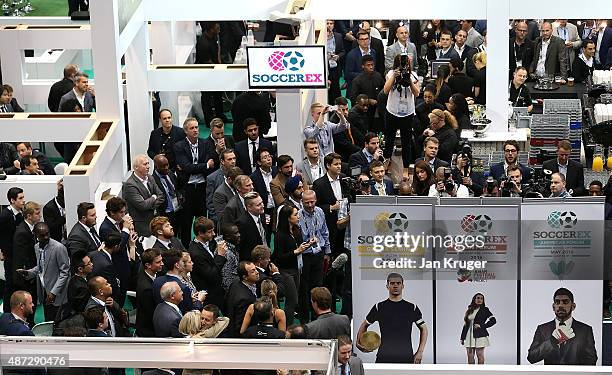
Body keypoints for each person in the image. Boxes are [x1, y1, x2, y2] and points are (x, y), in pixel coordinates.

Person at [357, 273, 428, 363]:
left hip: (405, 356)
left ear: (403, 286)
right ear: (387, 286)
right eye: (392, 283)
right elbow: (365, 324)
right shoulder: (379, 307)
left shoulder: (412, 307)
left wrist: (420, 352)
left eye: (398, 283)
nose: (395, 285)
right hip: (384, 356)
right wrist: (358, 341)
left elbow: (424, 329)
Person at [528, 288, 597, 365]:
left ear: (573, 306)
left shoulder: (585, 330)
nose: (560, 305)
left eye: (565, 302)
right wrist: (553, 341)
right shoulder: (542, 329)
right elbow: (531, 357)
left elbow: (591, 360)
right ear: (553, 307)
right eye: (557, 302)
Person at [17, 222, 70, 322]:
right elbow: (41, 267)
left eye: (47, 234)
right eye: (42, 235)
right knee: (49, 321)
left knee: (59, 323)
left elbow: (65, 273)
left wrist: (54, 292)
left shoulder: (59, 248)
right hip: (44, 292)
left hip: (58, 294)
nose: (46, 237)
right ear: (35, 235)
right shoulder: (36, 247)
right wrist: (28, 273)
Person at [174, 117, 213, 240]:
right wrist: (205, 165)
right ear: (186, 131)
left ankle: (202, 244)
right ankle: (186, 248)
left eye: (196, 127)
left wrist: (195, 167)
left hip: (202, 187)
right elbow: (188, 167)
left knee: (202, 221)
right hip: (187, 189)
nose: (196, 130)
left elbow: (209, 166)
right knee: (186, 222)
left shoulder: (205, 143)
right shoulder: (179, 146)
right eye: (192, 128)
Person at [383, 54, 420, 168]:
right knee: (389, 139)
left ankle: (405, 167)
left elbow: (417, 93)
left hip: (407, 113)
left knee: (406, 142)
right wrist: (394, 76)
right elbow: (385, 90)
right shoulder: (390, 74)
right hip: (392, 111)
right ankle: (387, 160)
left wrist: (408, 79)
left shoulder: (413, 76)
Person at [273, 204, 305, 322]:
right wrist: (296, 251)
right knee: (292, 300)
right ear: (287, 217)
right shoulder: (279, 236)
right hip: (286, 271)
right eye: (295, 214)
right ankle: (286, 326)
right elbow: (279, 256)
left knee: (293, 299)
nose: (298, 217)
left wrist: (306, 246)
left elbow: (299, 247)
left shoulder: (296, 230)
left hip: (297, 268)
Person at [12, 201, 41, 325]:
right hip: (25, 278)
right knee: (27, 308)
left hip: (30, 274)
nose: (39, 216)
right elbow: (22, 258)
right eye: (37, 213)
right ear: (29, 215)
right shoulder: (22, 232)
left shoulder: (29, 229)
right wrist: (30, 274)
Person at [188, 216, 227, 309]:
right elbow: (211, 275)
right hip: (209, 294)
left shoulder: (208, 242)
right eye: (210, 232)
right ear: (200, 233)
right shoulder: (196, 253)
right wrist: (220, 256)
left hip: (216, 289)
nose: (213, 234)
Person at [123, 154, 165, 236]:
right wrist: (153, 197)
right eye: (145, 164)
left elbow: (161, 196)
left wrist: (151, 204)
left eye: (148, 163)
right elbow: (142, 205)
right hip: (142, 225)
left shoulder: (150, 178)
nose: (148, 166)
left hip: (155, 220)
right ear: (136, 167)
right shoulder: (130, 185)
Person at [153, 248, 206, 314]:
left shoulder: (157, 281)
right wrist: (199, 301)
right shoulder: (183, 288)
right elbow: (190, 315)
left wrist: (189, 299)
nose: (184, 264)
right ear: (177, 265)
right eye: (182, 262)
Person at [196, 22, 225, 127]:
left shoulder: (214, 36)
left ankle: (220, 116)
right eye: (217, 28)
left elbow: (218, 50)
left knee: (218, 95)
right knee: (207, 97)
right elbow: (206, 61)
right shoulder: (203, 43)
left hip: (215, 70)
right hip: (205, 73)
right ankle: (209, 120)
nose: (219, 30)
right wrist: (218, 69)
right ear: (211, 29)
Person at [0, 187, 24, 313]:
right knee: (9, 285)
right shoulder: (5, 216)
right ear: (12, 200)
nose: (23, 201)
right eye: (20, 198)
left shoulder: (20, 214)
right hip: (10, 257)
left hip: (18, 256)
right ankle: (7, 312)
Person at [152, 154, 185, 239]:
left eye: (167, 165)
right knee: (167, 236)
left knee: (176, 233)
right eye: (163, 166)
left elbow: (177, 187)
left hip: (177, 210)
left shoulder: (170, 173)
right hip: (164, 213)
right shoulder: (152, 180)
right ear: (156, 167)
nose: (166, 167)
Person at [88, 232, 124, 306]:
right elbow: (114, 288)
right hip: (104, 299)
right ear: (116, 246)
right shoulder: (107, 265)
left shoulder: (92, 254)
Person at [226, 261, 260, 337]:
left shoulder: (235, 283)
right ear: (245, 277)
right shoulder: (245, 299)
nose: (257, 272)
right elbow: (240, 325)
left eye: (256, 269)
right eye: (253, 271)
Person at [461, 293, 496, 364]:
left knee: (479, 355)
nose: (479, 300)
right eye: (478, 298)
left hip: (480, 335)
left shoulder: (485, 310)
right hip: (469, 336)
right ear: (474, 299)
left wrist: (481, 326)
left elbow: (493, 320)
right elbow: (465, 325)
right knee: (470, 356)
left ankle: (481, 372)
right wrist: (462, 337)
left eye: (481, 298)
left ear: (483, 300)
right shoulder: (470, 310)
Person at [136, 248, 164, 338]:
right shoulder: (146, 288)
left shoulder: (157, 274)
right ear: (148, 265)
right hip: (149, 332)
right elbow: (151, 313)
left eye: (161, 261)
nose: (162, 264)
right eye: (158, 262)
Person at [206, 149, 237, 223]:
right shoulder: (212, 178)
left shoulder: (239, 174)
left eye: (234, 158)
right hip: (222, 220)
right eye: (229, 159)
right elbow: (210, 204)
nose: (233, 161)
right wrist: (218, 221)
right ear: (222, 161)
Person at [326, 20, 345, 104]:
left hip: (335, 68)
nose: (329, 25)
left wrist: (338, 56)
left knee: (335, 90)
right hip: (325, 68)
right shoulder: (318, 37)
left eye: (331, 23)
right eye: (327, 23)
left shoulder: (338, 36)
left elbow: (342, 51)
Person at [219, 224, 241, 292]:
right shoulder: (227, 253)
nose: (239, 235)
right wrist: (233, 294)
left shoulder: (232, 248)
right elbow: (226, 279)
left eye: (238, 232)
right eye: (236, 233)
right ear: (228, 237)